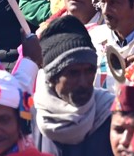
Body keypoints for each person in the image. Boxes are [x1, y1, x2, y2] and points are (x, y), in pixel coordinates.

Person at [33, 15, 115, 156]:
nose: (83, 82)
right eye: (73, 73)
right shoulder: (29, 118)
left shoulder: (111, 114)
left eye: (89, 71)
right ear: (52, 77)